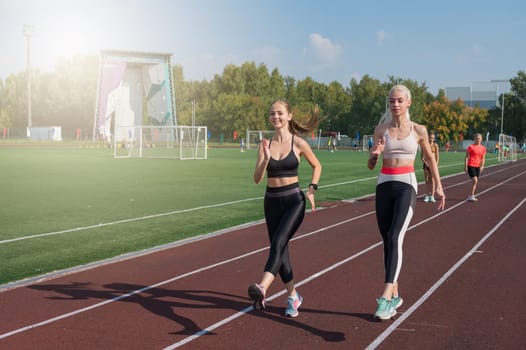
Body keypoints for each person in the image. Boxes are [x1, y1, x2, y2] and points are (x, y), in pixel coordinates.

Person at [368, 85, 446, 320]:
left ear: (408, 103)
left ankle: (384, 297)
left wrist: (439, 186)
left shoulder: (419, 130)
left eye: (400, 100)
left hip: (406, 185)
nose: (395, 104)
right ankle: (394, 296)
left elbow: (430, 158)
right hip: (384, 185)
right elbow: (371, 164)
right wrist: (375, 153)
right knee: (387, 242)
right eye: (392, 101)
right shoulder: (381, 129)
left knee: (395, 236)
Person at [249, 99, 322, 318]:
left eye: (280, 113)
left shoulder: (298, 143)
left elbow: (317, 165)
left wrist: (311, 189)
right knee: (281, 252)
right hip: (271, 201)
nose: (276, 117)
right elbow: (256, 179)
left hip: (293, 201)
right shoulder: (265, 144)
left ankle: (262, 288)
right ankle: (293, 296)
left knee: (279, 243)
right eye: (272, 114)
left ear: (289, 116)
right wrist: (265, 160)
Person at [465, 133, 486, 202]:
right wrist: (465, 166)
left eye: (479, 138)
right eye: (477, 138)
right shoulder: (471, 147)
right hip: (471, 165)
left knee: (475, 182)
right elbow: (466, 157)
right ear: (474, 139)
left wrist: (482, 166)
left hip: (478, 166)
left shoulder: (483, 148)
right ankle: (472, 195)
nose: (478, 140)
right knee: (475, 180)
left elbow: (483, 158)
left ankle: (471, 195)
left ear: (481, 139)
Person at [421, 133, 440, 202]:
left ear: (434, 139)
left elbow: (437, 157)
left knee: (432, 180)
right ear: (428, 138)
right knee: (426, 180)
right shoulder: (425, 145)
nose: (431, 139)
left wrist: (436, 165)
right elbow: (422, 157)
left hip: (433, 165)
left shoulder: (435, 145)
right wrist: (426, 163)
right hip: (426, 165)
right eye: (430, 137)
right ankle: (427, 195)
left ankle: (432, 196)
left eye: (433, 138)